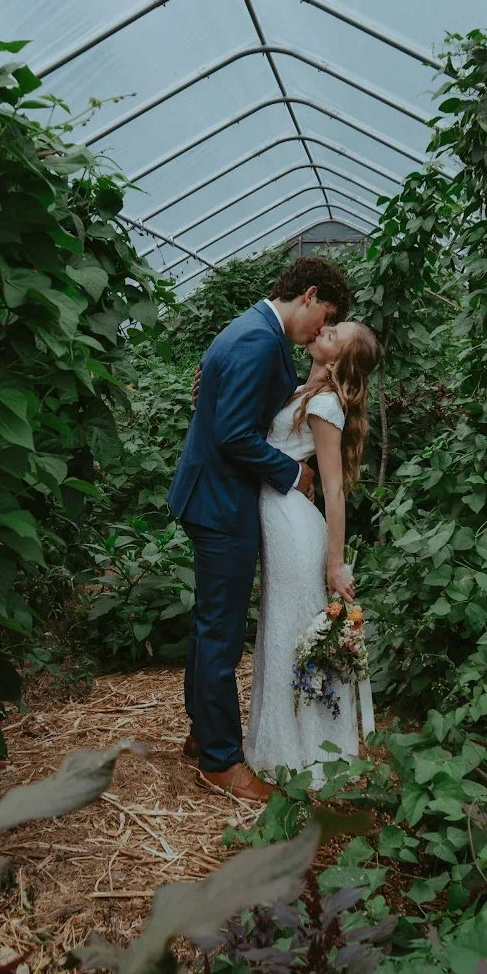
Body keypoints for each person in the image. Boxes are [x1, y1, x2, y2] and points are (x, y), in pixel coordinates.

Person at [168, 256, 351, 803]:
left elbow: (238, 404)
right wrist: (292, 471)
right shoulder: (256, 340)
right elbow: (233, 436)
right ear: (310, 295)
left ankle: (205, 736)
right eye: (326, 317)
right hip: (220, 504)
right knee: (220, 632)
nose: (321, 330)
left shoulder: (257, 333)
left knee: (211, 624)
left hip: (215, 497)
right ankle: (222, 761)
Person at [245, 316, 380, 783]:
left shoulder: (325, 405)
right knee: (279, 629)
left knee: (291, 632)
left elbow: (335, 488)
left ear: (338, 358)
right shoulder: (307, 392)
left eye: (333, 335)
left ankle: (306, 754)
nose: (324, 331)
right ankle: (281, 743)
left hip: (295, 529)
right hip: (281, 518)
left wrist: (335, 561)